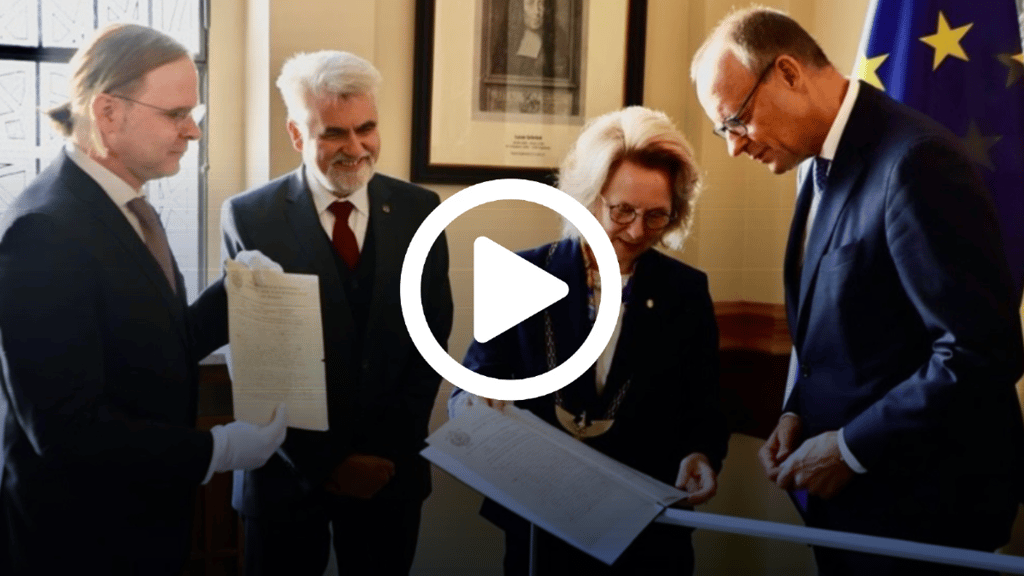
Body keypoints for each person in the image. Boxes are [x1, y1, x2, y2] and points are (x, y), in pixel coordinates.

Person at [691, 7, 1024, 575]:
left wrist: (850, 448)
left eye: (737, 120)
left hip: (923, 513)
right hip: (851, 507)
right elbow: (843, 330)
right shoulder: (814, 162)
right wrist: (797, 412)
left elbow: (981, 351)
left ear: (789, 73)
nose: (735, 147)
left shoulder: (917, 162)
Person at [0, 23, 287, 575]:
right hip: (80, 540)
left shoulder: (125, 206)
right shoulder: (44, 229)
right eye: (176, 114)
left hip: (142, 523)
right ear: (108, 113)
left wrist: (232, 294)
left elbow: (152, 346)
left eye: (194, 114)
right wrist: (219, 449)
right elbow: (65, 430)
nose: (193, 132)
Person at [194, 50, 453, 576]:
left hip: (389, 474)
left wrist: (383, 457)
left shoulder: (420, 210)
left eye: (367, 129)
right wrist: (329, 465)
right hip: (286, 476)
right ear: (297, 134)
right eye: (334, 133)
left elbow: (430, 343)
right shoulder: (250, 216)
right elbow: (257, 362)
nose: (355, 148)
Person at [450, 106, 729, 576]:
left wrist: (700, 454)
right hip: (541, 521)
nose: (637, 231)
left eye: (656, 216)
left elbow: (704, 407)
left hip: (645, 529)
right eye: (623, 211)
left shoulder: (686, 291)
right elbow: (472, 382)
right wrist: (475, 401)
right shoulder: (522, 273)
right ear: (586, 198)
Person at [491, 0, 571, 78]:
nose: (537, 11)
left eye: (542, 3)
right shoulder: (506, 39)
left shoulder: (558, 41)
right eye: (530, 3)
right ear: (518, 7)